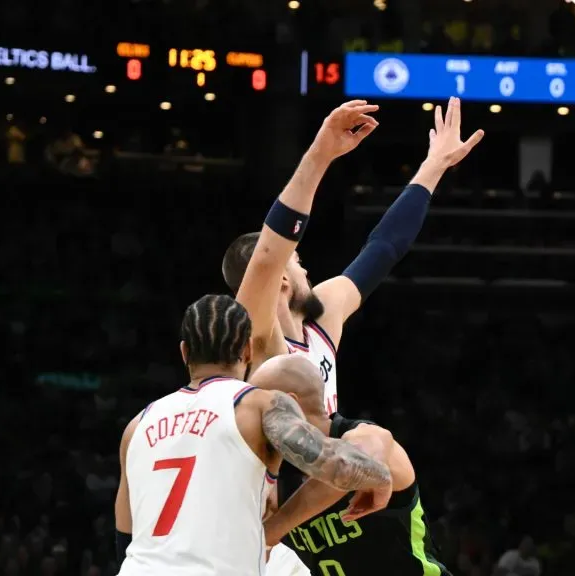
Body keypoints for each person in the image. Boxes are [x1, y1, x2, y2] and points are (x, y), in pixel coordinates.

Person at [222, 96, 485, 415]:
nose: (306, 272)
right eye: (298, 263)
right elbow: (267, 255)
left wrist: (434, 166)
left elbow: (384, 247)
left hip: (319, 458)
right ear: (280, 279)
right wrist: (320, 155)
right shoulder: (255, 334)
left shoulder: (322, 319)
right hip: (273, 465)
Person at [114, 295, 392, 575]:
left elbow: (125, 535)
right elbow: (338, 465)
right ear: (247, 350)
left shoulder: (137, 426)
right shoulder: (260, 405)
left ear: (185, 352)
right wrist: (380, 477)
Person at [251, 354, 450, 576]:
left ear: (290, 405)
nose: (251, 418)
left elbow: (347, 466)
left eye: (259, 408)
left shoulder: (370, 436)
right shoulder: (273, 476)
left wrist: (269, 533)